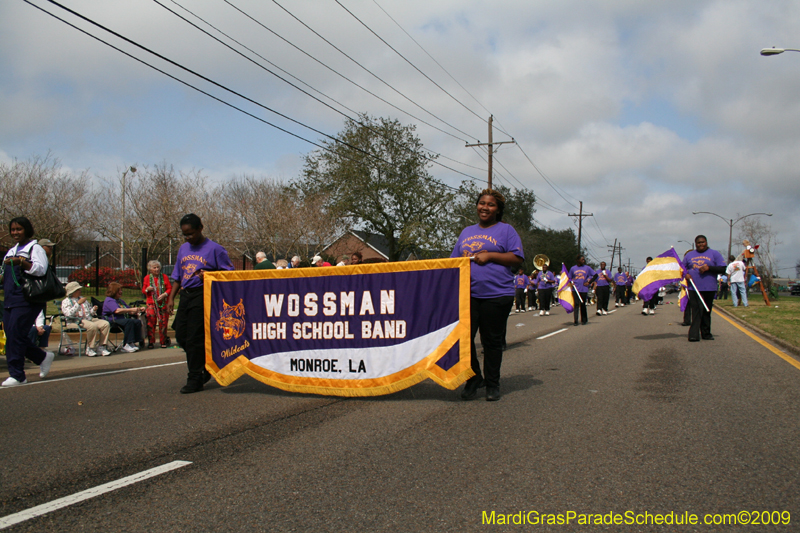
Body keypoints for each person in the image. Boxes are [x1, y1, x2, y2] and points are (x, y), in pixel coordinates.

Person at [452, 189, 523, 402]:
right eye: (482, 203)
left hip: (497, 294)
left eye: (491, 204)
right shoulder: (466, 232)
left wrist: (490, 255)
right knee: (462, 339)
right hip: (468, 295)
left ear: (498, 209)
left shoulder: (506, 230)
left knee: (491, 341)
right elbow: (453, 262)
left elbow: (517, 258)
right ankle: (473, 378)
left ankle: (493, 384)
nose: (485, 207)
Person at [166, 213, 234, 394]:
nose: (188, 237)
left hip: (203, 295)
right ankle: (205, 365)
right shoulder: (183, 249)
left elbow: (229, 274)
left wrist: (209, 275)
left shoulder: (215, 249)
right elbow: (177, 276)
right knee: (180, 335)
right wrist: (171, 297)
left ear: (200, 228)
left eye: (191, 233)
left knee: (194, 338)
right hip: (185, 296)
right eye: (185, 234)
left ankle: (195, 378)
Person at [1, 217, 55, 386]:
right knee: (11, 335)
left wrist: (21, 262)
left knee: (16, 334)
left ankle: (18, 375)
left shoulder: (35, 248)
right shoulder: (11, 250)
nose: (15, 232)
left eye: (19, 229)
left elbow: (40, 269)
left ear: (27, 230)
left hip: (27, 299)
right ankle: (42, 357)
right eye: (13, 229)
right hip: (10, 298)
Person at [683, 235, 727, 342]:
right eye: (698, 243)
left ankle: (706, 333)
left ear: (706, 242)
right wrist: (686, 275)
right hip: (694, 288)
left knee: (706, 311)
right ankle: (694, 334)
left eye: (703, 242)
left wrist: (709, 268)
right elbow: (682, 269)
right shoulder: (689, 255)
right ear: (695, 244)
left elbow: (723, 268)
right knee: (696, 310)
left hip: (709, 288)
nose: (701, 244)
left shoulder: (714, 254)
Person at [62, 281, 112, 356]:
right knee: (92, 326)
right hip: (75, 321)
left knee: (105, 324)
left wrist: (93, 310)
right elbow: (68, 314)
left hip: (88, 319)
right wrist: (78, 304)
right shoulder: (66, 301)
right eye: (78, 290)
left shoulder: (82, 299)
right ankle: (90, 348)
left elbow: (89, 312)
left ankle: (102, 347)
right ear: (73, 292)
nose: (80, 291)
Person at [103, 282, 146, 353]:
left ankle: (132, 342)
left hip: (122, 320)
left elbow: (129, 311)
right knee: (129, 322)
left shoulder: (120, 301)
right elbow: (117, 311)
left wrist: (138, 309)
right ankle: (126, 344)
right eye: (119, 290)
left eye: (121, 290)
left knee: (136, 321)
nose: (121, 292)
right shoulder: (109, 300)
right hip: (113, 321)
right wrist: (131, 309)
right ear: (114, 291)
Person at [142, 260, 172, 349]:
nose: (156, 269)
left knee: (163, 322)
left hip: (162, 303)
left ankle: (163, 341)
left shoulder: (164, 277)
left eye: (158, 267)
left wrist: (164, 294)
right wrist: (147, 289)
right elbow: (143, 290)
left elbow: (169, 288)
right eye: (154, 268)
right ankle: (151, 342)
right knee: (151, 322)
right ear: (150, 269)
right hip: (151, 303)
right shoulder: (147, 278)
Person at [569, 255, 596, 326]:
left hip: (583, 289)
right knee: (576, 304)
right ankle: (575, 321)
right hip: (575, 289)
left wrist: (589, 282)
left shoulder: (587, 268)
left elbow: (595, 275)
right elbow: (569, 277)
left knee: (583, 304)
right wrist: (571, 282)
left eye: (584, 260)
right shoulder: (573, 268)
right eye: (582, 259)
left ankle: (584, 320)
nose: (583, 261)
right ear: (578, 260)